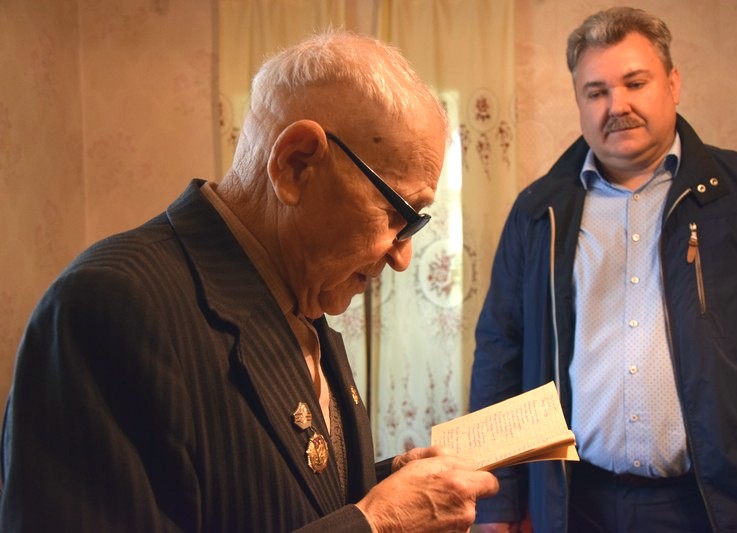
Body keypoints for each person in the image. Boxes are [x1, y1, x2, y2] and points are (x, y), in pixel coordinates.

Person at [0, 30, 499, 532]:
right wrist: (377, 523)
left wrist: (387, 485)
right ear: (297, 164)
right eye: (397, 214)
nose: (402, 257)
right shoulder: (109, 306)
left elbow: (260, 494)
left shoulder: (300, 292)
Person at [470, 6, 737, 533]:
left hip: (725, 505)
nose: (616, 105)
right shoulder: (539, 212)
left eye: (634, 83)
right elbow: (500, 355)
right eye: (596, 92)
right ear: (578, 101)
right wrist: (497, 505)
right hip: (580, 504)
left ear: (673, 83)